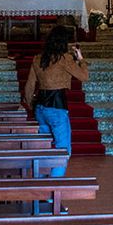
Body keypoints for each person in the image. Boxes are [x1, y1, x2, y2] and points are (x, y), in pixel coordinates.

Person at [24, 25, 89, 177]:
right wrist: (81, 60)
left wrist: (31, 105)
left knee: (43, 147)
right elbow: (84, 76)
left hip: (40, 107)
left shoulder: (38, 58)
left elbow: (29, 86)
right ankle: (53, 187)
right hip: (57, 107)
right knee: (63, 149)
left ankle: (39, 183)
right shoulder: (64, 59)